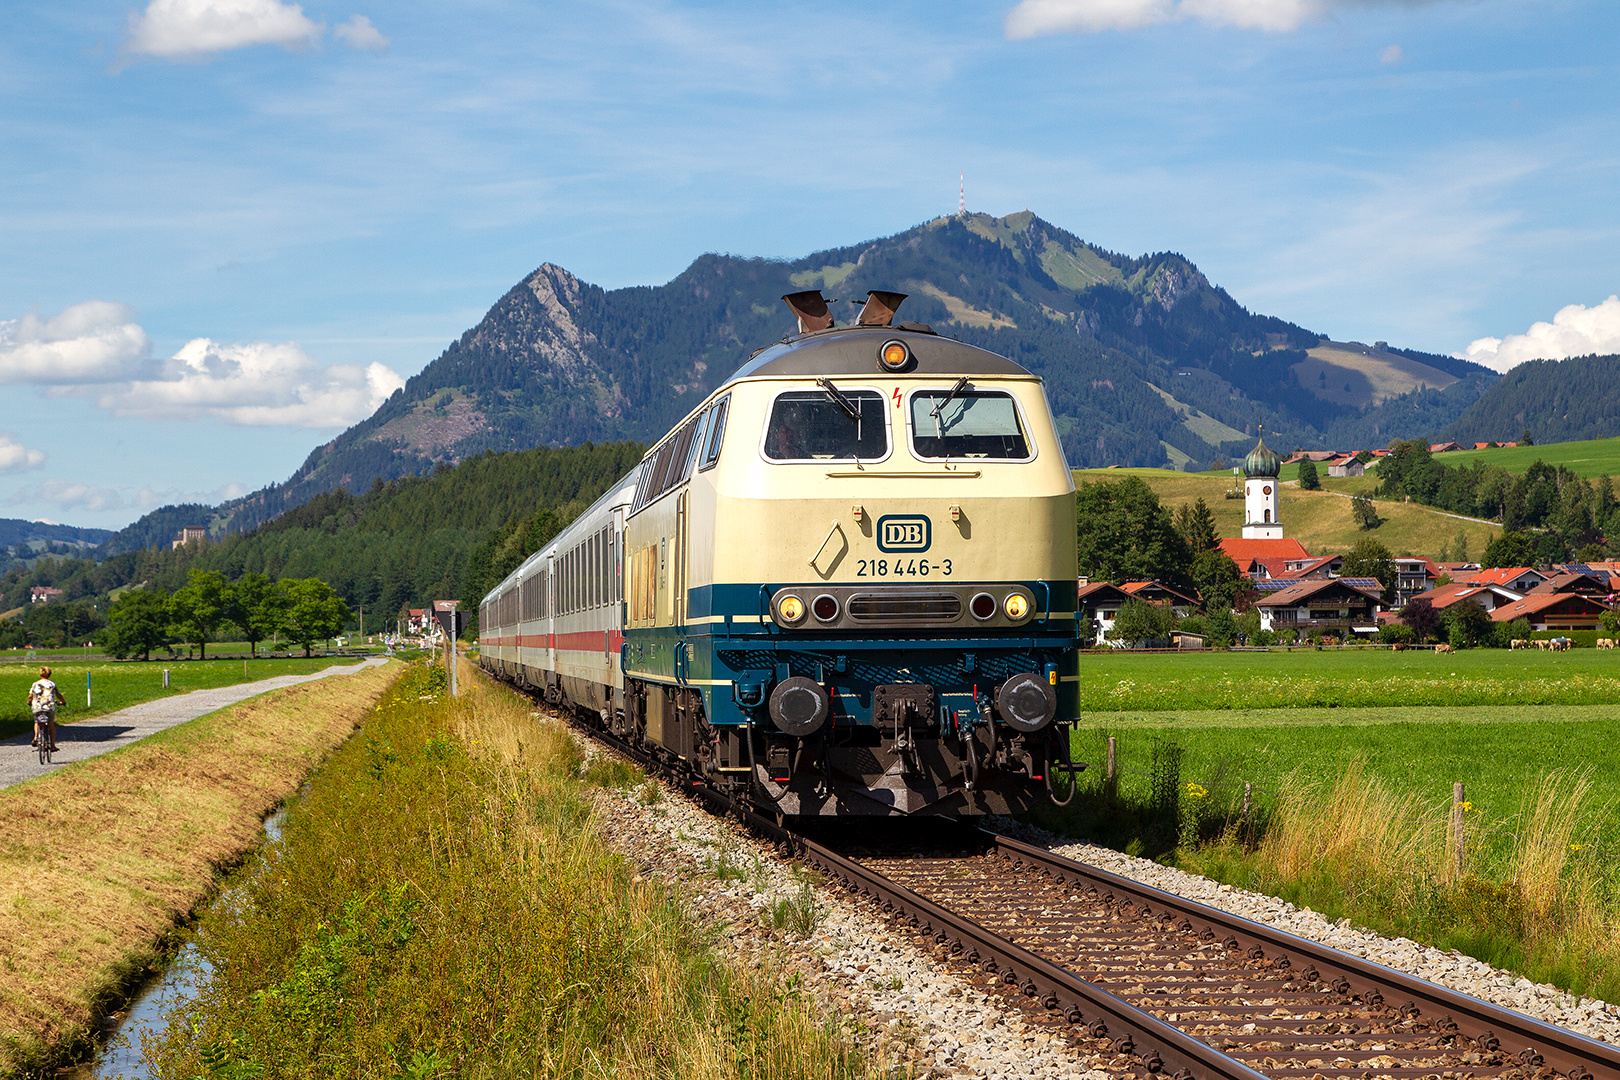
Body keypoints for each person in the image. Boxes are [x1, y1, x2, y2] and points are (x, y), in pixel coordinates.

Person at [28, 666, 65, 753]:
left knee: (37, 722)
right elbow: (58, 695)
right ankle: (52, 746)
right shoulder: (52, 684)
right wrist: (63, 701)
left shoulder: (35, 684)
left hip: (37, 707)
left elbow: (30, 695)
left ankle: (36, 737)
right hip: (49, 707)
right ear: (50, 674)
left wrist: (29, 701)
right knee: (51, 724)